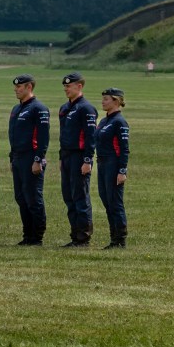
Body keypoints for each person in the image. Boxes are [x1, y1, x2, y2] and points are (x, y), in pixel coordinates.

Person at [8, 74, 50, 246]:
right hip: (18, 158)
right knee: (21, 197)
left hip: (31, 158)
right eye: (16, 87)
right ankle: (27, 235)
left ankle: (37, 237)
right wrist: (12, 158)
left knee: (33, 198)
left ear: (29, 87)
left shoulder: (38, 108)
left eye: (20, 87)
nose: (16, 90)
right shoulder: (17, 109)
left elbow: (43, 136)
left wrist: (38, 159)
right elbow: (14, 136)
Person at [58, 72, 98, 247]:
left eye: (69, 86)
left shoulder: (86, 109)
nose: (66, 89)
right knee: (69, 196)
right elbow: (63, 135)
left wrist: (88, 160)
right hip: (67, 156)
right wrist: (61, 157)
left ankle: (83, 237)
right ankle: (75, 235)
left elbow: (91, 137)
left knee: (80, 196)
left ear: (79, 86)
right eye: (65, 86)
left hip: (79, 156)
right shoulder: (65, 108)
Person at [96, 88, 130, 249]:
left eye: (106, 99)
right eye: (103, 99)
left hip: (113, 164)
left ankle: (120, 239)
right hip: (102, 164)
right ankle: (113, 238)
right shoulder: (104, 121)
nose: (103, 102)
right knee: (106, 200)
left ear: (116, 101)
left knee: (115, 202)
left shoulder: (119, 122)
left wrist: (122, 170)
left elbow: (124, 149)